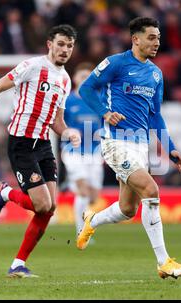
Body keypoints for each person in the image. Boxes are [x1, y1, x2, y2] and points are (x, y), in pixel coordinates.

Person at [0, 25, 81, 278]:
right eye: (61, 44)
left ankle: (17, 264)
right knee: (42, 203)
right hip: (21, 143)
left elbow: (57, 121)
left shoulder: (65, 80)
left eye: (69, 46)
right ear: (50, 44)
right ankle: (5, 193)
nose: (65, 50)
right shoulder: (32, 66)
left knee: (50, 208)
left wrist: (68, 132)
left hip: (44, 145)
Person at [77, 17, 181, 279]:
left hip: (140, 146)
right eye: (151, 37)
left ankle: (91, 221)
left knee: (127, 209)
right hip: (116, 142)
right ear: (135, 39)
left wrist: (171, 149)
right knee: (151, 189)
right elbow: (86, 89)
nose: (157, 43)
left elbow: (155, 116)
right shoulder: (116, 63)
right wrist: (105, 113)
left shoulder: (155, 74)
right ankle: (164, 261)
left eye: (159, 38)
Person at [61, 62, 104, 237]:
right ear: (75, 79)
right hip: (73, 152)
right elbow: (57, 125)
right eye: (82, 76)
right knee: (83, 189)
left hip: (94, 153)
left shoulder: (99, 100)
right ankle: (81, 231)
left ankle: (69, 184)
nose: (85, 79)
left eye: (89, 76)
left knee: (92, 197)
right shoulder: (67, 101)